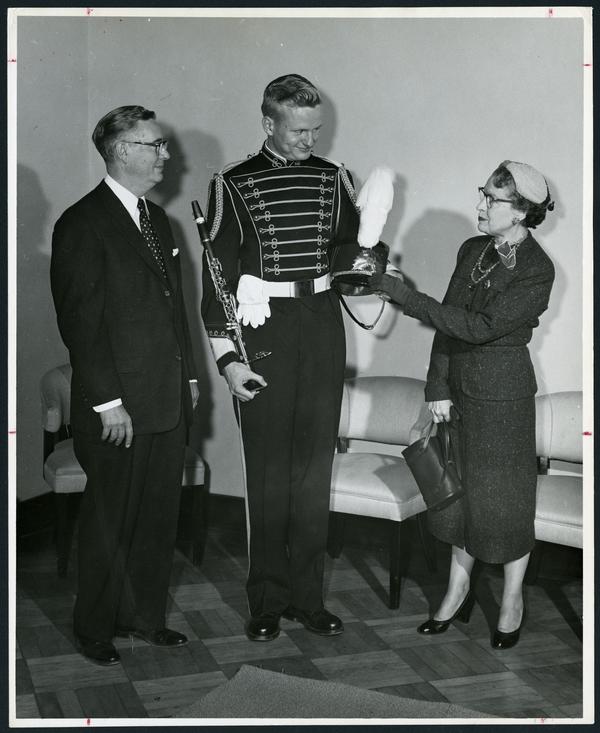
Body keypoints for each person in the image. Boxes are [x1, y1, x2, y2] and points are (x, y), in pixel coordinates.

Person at [201, 74, 360, 641]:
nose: (310, 141)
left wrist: (367, 263)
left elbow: (350, 250)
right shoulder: (233, 183)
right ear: (269, 123)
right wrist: (228, 361)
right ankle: (267, 600)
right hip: (261, 333)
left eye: (316, 130)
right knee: (268, 474)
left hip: (321, 327)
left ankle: (309, 599)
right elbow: (216, 279)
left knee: (314, 473)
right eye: (298, 131)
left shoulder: (334, 178)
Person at [369, 161, 555, 649]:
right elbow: (449, 325)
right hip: (459, 392)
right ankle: (457, 589)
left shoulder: (537, 269)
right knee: (457, 497)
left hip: (503, 399)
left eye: (492, 199)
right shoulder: (473, 249)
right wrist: (437, 387)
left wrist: (405, 296)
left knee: (506, 502)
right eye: (483, 193)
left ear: (521, 212)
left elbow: (476, 327)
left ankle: (511, 600)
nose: (481, 205)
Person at [50, 105, 199, 665]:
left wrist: (188, 376)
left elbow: (174, 310)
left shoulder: (158, 220)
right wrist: (108, 402)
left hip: (165, 398)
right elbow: (81, 326)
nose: (166, 154)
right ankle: (94, 628)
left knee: (157, 516)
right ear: (120, 151)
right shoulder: (81, 223)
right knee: (110, 519)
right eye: (154, 145)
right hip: (117, 408)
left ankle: (144, 617)